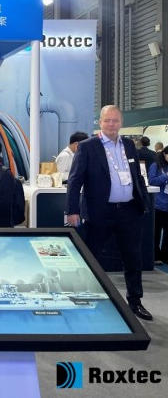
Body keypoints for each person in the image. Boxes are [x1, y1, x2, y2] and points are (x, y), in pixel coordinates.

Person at [66, 105, 152, 321]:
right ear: (100, 123)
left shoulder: (129, 145)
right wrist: (72, 210)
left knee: (133, 258)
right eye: (107, 120)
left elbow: (137, 176)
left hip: (129, 211)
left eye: (115, 120)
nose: (111, 124)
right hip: (99, 212)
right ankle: (85, 297)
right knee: (90, 257)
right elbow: (75, 181)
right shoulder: (87, 147)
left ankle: (135, 301)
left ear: (121, 122)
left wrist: (142, 201)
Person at [147, 147, 168, 264]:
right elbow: (151, 181)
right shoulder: (156, 166)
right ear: (164, 154)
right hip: (158, 204)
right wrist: (166, 176)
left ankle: (165, 255)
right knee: (156, 232)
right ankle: (156, 256)